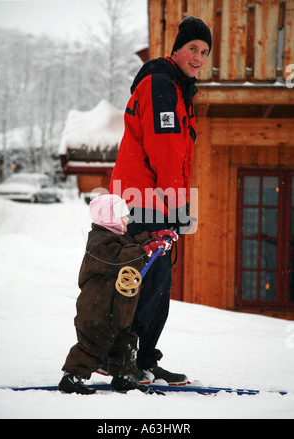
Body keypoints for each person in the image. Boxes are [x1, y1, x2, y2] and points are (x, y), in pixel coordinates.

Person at [109, 17, 212, 385]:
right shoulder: (161, 85)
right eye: (192, 49)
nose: (198, 57)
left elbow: (177, 157)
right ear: (177, 50)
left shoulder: (180, 91)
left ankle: (146, 358)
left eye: (204, 52)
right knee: (145, 283)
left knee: (159, 286)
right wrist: (177, 203)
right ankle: (124, 360)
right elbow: (165, 150)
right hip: (144, 200)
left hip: (158, 201)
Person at [58, 194, 176, 394]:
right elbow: (119, 259)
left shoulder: (118, 239)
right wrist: (145, 250)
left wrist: (153, 239)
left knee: (125, 341)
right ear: (108, 218)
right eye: (122, 216)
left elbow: (132, 246)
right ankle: (72, 377)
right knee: (92, 344)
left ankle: (123, 377)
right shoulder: (98, 244)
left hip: (117, 309)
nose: (128, 220)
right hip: (97, 308)